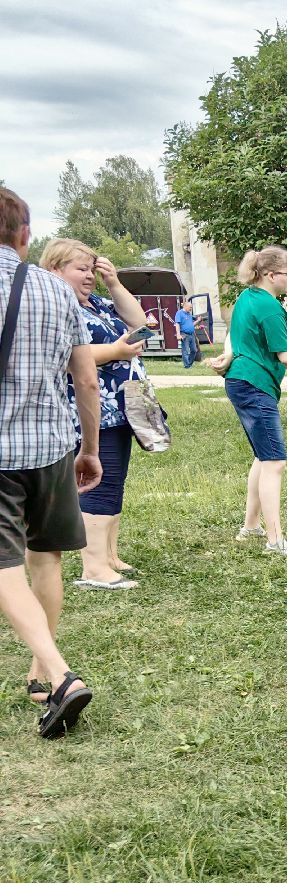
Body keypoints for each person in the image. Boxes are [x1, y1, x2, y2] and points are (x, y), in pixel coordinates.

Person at [0, 187, 103, 738]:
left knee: (2, 566)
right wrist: (88, 448)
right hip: (50, 447)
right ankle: (39, 675)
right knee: (46, 558)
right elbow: (84, 377)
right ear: (24, 234)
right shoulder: (54, 290)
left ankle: (59, 675)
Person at [207, 245, 287, 558]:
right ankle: (276, 541)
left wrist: (230, 355)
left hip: (240, 381)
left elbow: (238, 335)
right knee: (275, 461)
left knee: (263, 457)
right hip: (254, 384)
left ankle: (251, 526)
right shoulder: (272, 309)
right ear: (271, 274)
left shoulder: (247, 298)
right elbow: (286, 356)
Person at [40, 239, 148, 589]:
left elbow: (139, 321)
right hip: (90, 408)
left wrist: (114, 283)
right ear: (55, 270)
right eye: (80, 269)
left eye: (91, 269)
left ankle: (109, 555)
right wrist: (116, 349)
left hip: (120, 407)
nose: (89, 276)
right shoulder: (55, 305)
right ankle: (94, 568)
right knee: (99, 484)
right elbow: (68, 355)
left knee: (115, 479)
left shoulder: (97, 302)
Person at [174, 300, 199, 369]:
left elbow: (191, 324)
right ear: (185, 306)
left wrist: (198, 321)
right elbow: (177, 324)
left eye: (191, 307)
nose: (191, 309)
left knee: (194, 350)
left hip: (191, 334)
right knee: (185, 351)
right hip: (184, 334)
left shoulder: (189, 314)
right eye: (190, 307)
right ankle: (187, 366)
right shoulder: (179, 313)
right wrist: (178, 334)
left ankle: (189, 364)